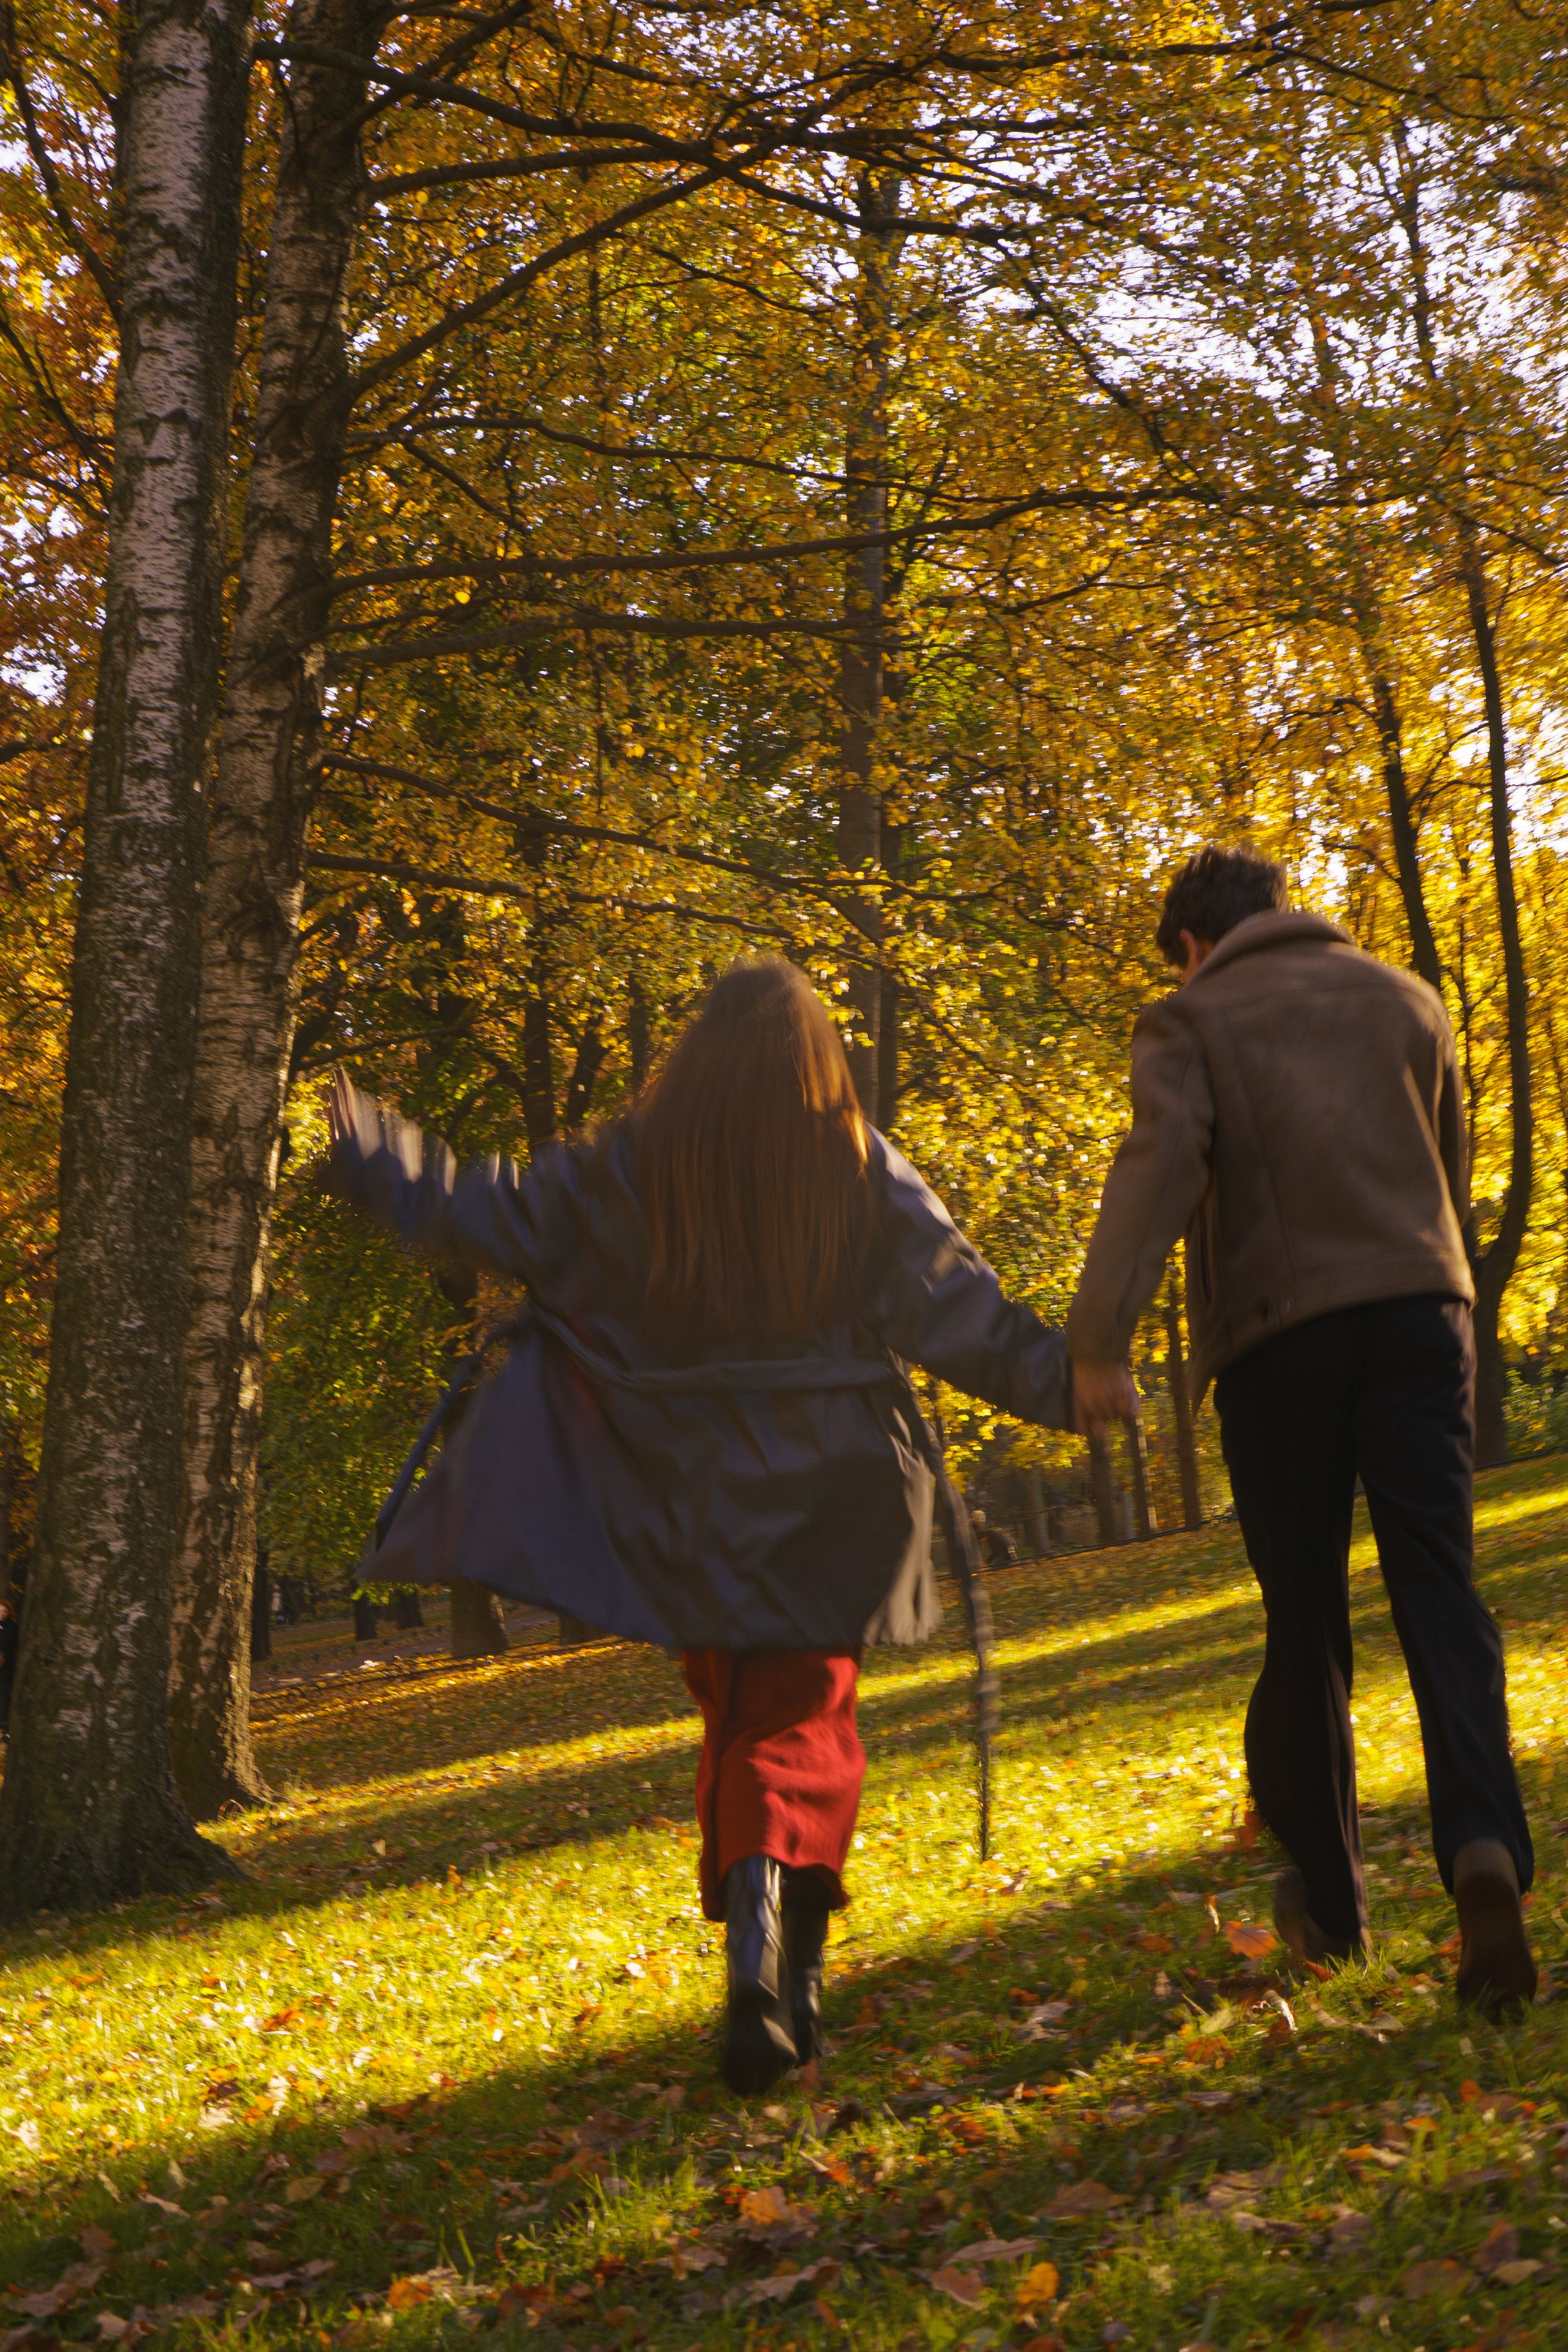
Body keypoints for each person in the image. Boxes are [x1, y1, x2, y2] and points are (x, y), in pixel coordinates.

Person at [326, 958, 1074, 2090]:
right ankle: (767, 1961)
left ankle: (783, 1979)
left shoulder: (634, 1170)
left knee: (743, 1720)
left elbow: (489, 1207)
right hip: (833, 1496)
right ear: (819, 1060)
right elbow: (958, 1307)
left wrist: (380, 1152)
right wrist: (1070, 1385)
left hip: (681, 1492)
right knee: (800, 1723)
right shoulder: (855, 1167)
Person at [1066, 845, 1536, 2018]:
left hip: (1285, 1343)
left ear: (1191, 942)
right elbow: (1449, 1166)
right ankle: (1484, 1853)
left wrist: (1096, 1340)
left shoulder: (1191, 1017)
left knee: (1306, 1625)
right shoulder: (1405, 996)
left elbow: (1162, 1165)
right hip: (1427, 1319)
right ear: (1284, 911)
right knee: (1442, 1589)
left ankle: (1331, 1907)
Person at [0, 1597, 15, 1738]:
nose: (2, 1614)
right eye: (0, 1611)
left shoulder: (11, 1626)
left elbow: (7, 1642)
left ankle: (4, 1726)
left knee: (4, 1693)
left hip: (6, 1667)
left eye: (5, 1612)